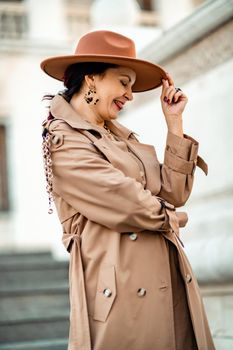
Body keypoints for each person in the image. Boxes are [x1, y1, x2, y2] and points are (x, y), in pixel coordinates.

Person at [40, 30, 215, 350]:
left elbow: (173, 193)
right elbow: (129, 204)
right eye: (123, 82)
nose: (130, 95)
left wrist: (174, 124)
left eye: (132, 86)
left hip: (169, 284)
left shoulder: (122, 138)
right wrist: (175, 218)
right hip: (122, 301)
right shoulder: (63, 139)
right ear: (91, 79)